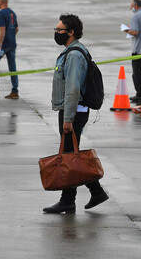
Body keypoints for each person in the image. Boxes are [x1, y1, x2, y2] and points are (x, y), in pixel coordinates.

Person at [43, 14, 108, 214]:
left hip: (73, 111)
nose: (56, 33)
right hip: (73, 110)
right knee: (70, 154)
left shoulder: (73, 55)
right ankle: (79, 197)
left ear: (71, 32)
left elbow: (72, 89)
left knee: (70, 154)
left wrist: (68, 119)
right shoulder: (74, 51)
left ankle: (76, 197)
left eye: (59, 30)